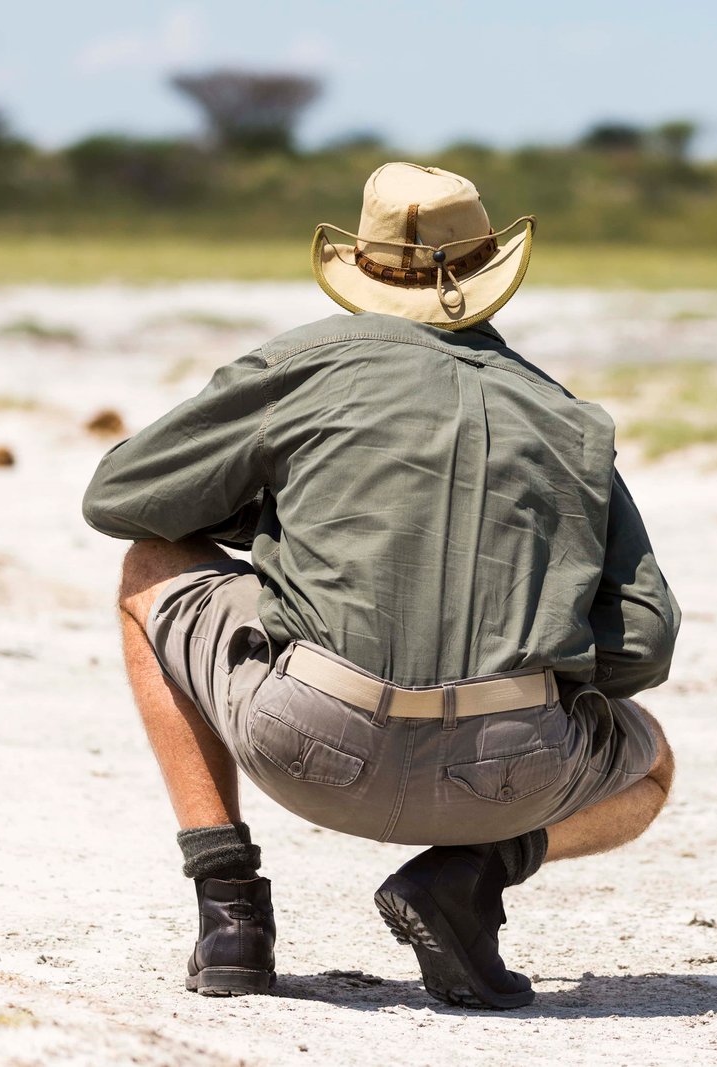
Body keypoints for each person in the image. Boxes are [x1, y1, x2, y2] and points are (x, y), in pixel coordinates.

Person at [82, 163, 681, 1010]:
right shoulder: (567, 415)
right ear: (489, 273)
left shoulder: (301, 364)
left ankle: (229, 911)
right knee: (650, 762)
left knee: (148, 563)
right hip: (516, 770)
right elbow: (646, 642)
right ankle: (469, 873)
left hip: (305, 744)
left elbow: (122, 500)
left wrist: (281, 528)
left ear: (358, 265)